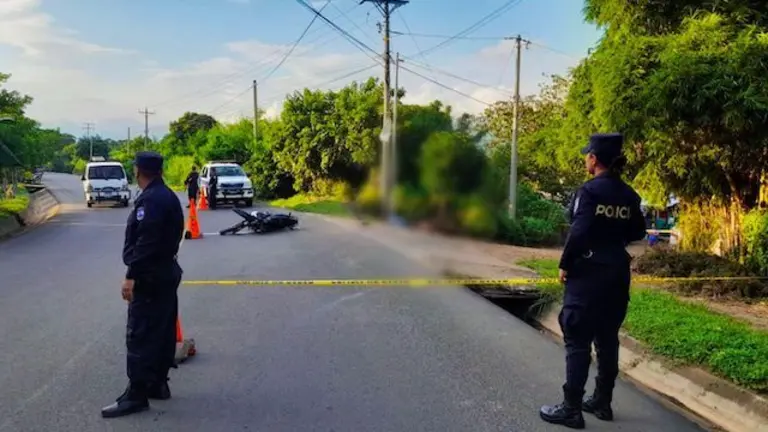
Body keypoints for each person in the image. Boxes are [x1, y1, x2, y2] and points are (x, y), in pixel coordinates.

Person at [539, 133, 648, 429]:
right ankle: (602, 402)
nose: (585, 158)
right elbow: (639, 230)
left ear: (594, 158)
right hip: (616, 272)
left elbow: (579, 230)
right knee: (607, 337)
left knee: (577, 337)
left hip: (587, 272)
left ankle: (571, 408)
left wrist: (565, 264)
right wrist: (614, 238)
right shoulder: (629, 194)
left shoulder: (588, 192)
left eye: (588, 154)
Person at [102, 151, 185, 419]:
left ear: (138, 171)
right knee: (161, 331)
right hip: (165, 271)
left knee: (140, 333)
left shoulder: (150, 201)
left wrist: (131, 274)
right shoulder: (167, 196)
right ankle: (157, 384)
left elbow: (146, 242)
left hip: (149, 275)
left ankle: (136, 394)